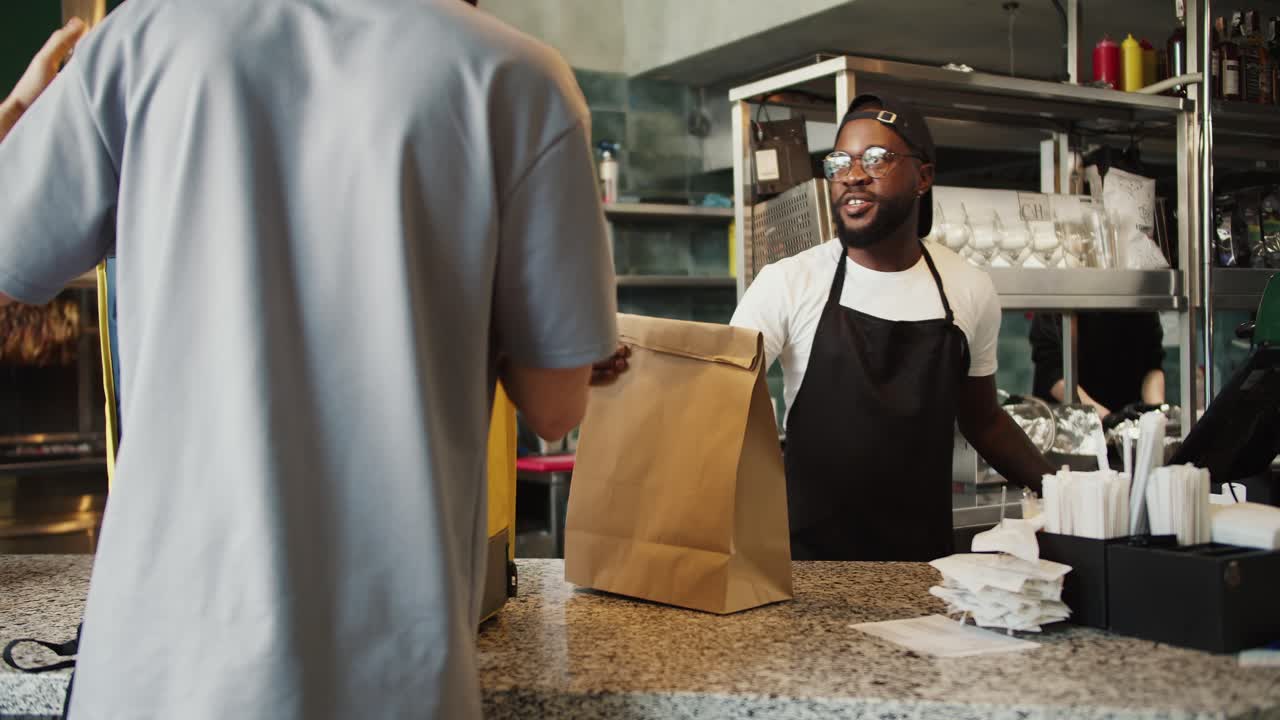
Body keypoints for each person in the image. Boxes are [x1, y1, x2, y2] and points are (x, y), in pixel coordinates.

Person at [0, 1, 617, 718]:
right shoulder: (520, 78)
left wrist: (17, 108)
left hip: (151, 672)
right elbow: (554, 407)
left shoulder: (140, 37)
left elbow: (13, 255)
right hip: (388, 676)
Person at [725, 94, 1053, 561]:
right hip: (809, 571)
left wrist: (1064, 491)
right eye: (840, 161)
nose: (853, 175)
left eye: (877, 159)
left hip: (926, 569)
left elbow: (985, 421)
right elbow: (721, 400)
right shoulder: (789, 283)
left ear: (923, 177)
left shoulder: (968, 289)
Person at [1029, 312, 1166, 422]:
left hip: (1129, 426)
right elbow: (1052, 374)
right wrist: (1108, 419)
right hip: (1070, 427)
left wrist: (1156, 415)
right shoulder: (1058, 297)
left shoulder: (1137, 295)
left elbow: (1152, 365)